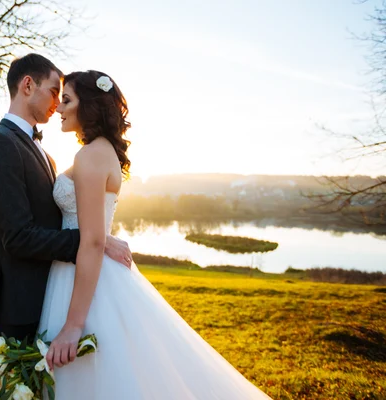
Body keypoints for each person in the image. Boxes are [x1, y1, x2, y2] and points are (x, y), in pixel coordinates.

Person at [38, 70, 272, 399]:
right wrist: (105, 242)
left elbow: (91, 240)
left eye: (66, 100)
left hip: (83, 278)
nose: (59, 109)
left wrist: (74, 324)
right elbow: (95, 233)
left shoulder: (89, 156)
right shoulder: (103, 152)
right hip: (88, 269)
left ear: (88, 105)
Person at [0, 54, 133, 344]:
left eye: (64, 98)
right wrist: (92, 239)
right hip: (20, 302)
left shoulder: (46, 154)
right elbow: (18, 236)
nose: (56, 103)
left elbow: (54, 216)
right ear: (27, 85)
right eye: (53, 91)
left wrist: (96, 237)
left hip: (54, 290)